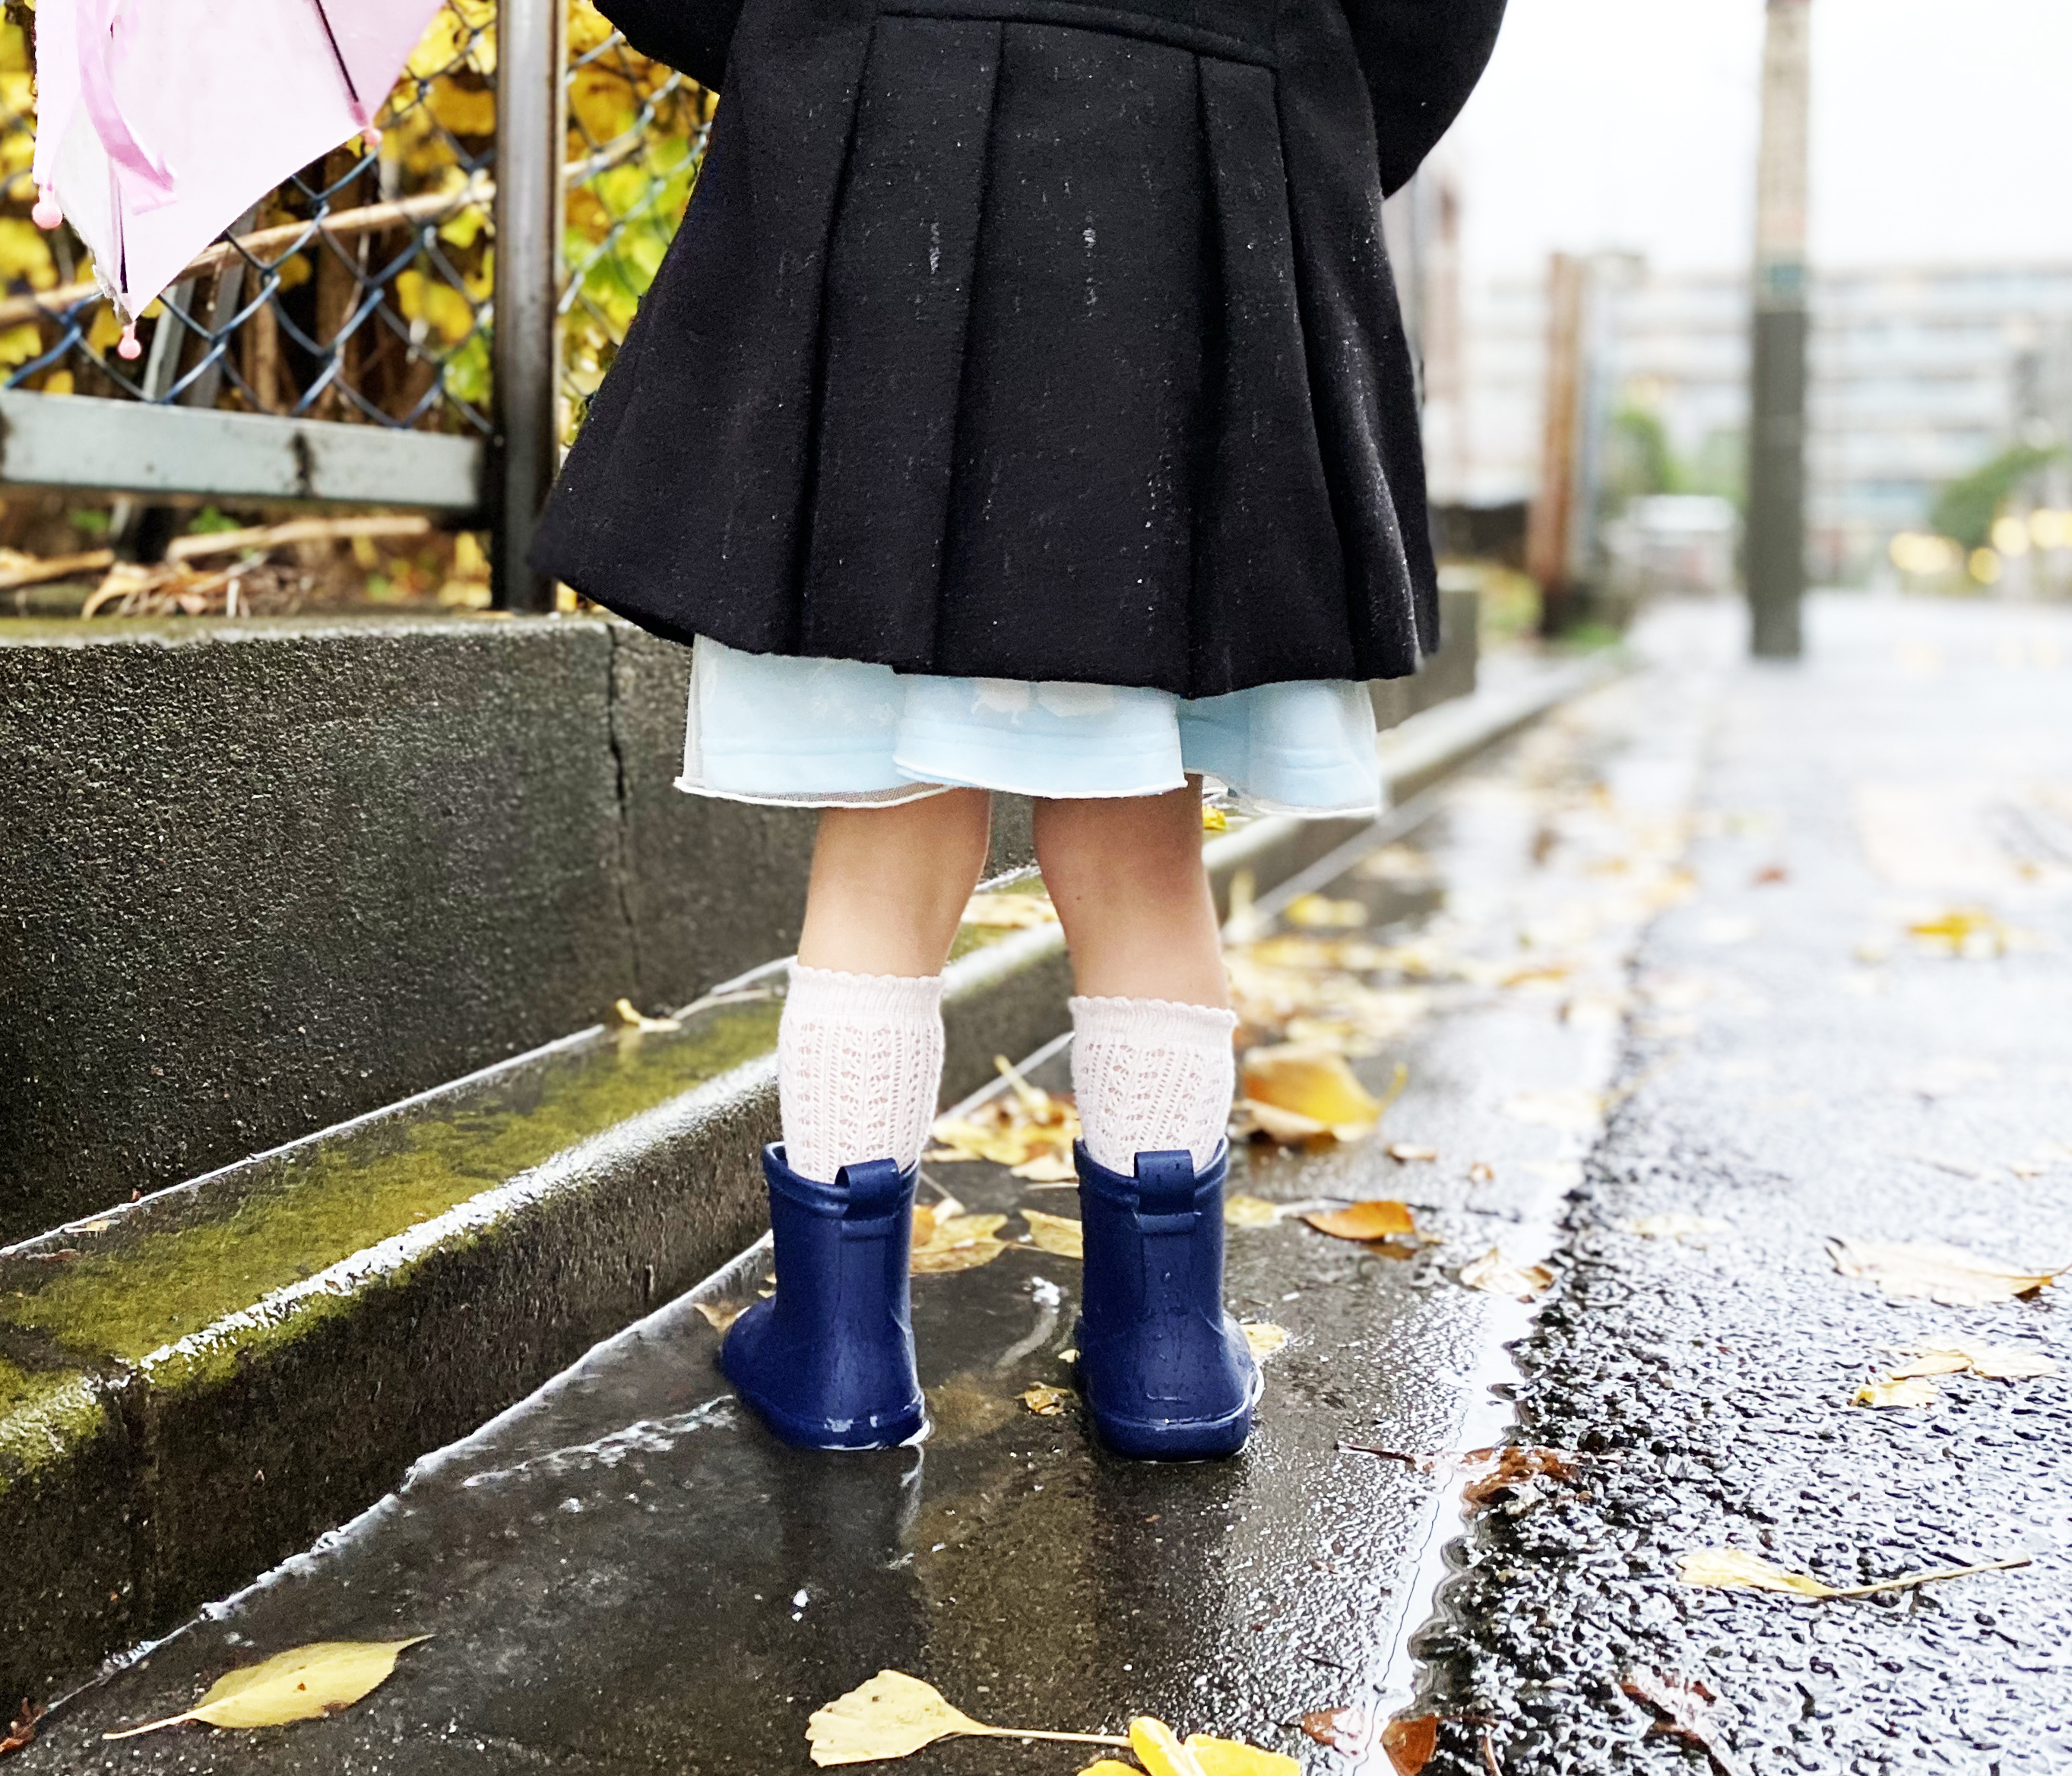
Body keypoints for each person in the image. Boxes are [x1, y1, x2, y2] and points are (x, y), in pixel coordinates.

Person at [533, 0, 1506, 1459]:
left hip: (887, 142)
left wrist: (801, 42)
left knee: (884, 832)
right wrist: (1281, 98)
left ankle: (841, 1349)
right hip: (1202, 159)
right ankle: (1165, 1350)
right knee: (1140, 851)